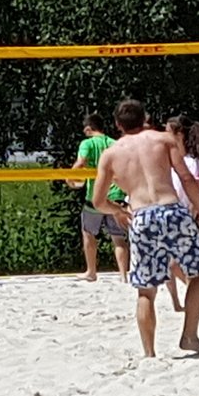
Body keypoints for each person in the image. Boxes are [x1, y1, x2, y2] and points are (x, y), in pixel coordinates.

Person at [92, 99, 199, 357]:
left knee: (146, 291)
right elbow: (186, 178)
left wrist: (118, 211)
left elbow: (98, 201)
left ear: (117, 124)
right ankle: (190, 336)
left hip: (141, 216)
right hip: (171, 211)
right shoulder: (163, 140)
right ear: (145, 118)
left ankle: (149, 353)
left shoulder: (111, 154)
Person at [164, 115, 199, 314]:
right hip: (170, 215)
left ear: (179, 134)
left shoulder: (191, 162)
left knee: (176, 264)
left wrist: (196, 214)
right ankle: (186, 302)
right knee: (171, 263)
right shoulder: (172, 160)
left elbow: (196, 190)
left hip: (184, 216)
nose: (164, 135)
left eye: (168, 131)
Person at [66, 113, 130, 282]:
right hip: (116, 194)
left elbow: (81, 163)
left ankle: (91, 271)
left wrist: (70, 178)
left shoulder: (87, 143)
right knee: (118, 238)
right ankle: (123, 275)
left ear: (88, 129)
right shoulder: (114, 144)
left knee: (88, 233)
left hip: (95, 196)